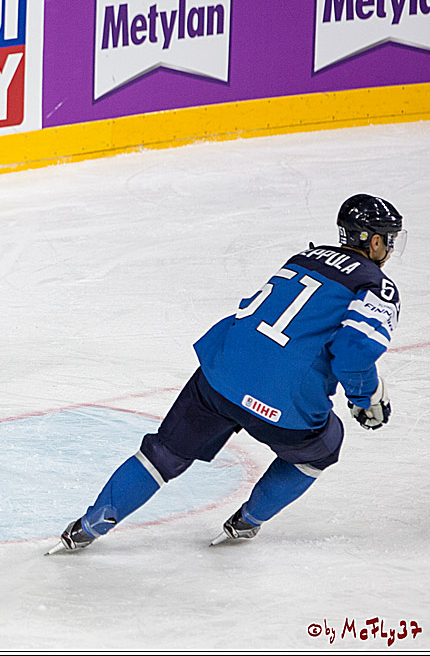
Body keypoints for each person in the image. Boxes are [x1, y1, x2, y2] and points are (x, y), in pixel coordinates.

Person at [49, 194, 405, 553]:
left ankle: (87, 526)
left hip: (221, 373)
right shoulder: (377, 286)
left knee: (165, 452)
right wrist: (365, 397)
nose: (390, 247)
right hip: (284, 400)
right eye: (389, 238)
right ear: (374, 241)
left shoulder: (303, 258)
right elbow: (353, 354)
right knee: (322, 448)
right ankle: (247, 521)